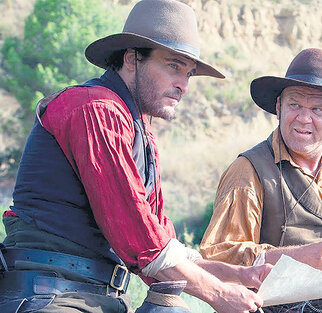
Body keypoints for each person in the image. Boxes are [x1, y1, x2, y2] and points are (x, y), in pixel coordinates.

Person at [0, 0, 271, 312]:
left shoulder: (138, 129)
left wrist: (237, 275)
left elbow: (162, 245)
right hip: (49, 295)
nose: (183, 85)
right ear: (132, 59)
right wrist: (218, 294)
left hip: (98, 296)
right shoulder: (96, 110)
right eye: (173, 66)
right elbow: (144, 246)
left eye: (189, 73)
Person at [200, 48, 322, 312]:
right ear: (278, 107)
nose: (303, 118)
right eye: (294, 104)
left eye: (318, 109)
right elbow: (219, 257)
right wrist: (295, 257)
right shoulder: (248, 171)